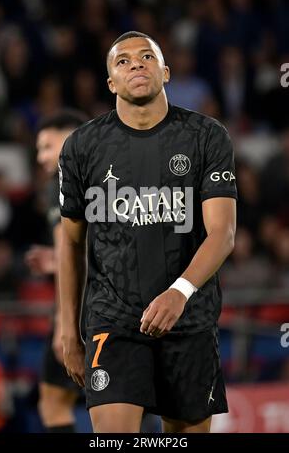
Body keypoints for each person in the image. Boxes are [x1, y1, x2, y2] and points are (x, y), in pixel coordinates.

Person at [58, 31, 237, 433]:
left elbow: (222, 234)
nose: (136, 64)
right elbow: (70, 243)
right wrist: (68, 329)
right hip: (113, 319)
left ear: (166, 72)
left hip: (189, 319)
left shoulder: (206, 136)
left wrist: (180, 291)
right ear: (111, 83)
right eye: (123, 61)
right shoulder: (81, 147)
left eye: (146, 57)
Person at [25, 110, 87, 433]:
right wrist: (55, 258)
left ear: (71, 137)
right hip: (117, 302)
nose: (41, 156)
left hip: (82, 312)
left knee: (54, 401)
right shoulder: (105, 172)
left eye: (47, 146)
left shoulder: (62, 180)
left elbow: (67, 246)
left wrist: (65, 323)